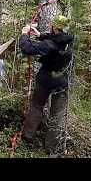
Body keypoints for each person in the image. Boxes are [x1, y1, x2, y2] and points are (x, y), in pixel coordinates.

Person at [19, 15, 74, 156]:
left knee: (36, 107)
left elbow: (27, 48)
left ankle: (28, 137)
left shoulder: (49, 45)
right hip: (61, 81)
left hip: (45, 80)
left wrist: (24, 34)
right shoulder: (69, 40)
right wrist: (40, 35)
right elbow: (55, 38)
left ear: (54, 26)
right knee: (57, 115)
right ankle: (52, 148)